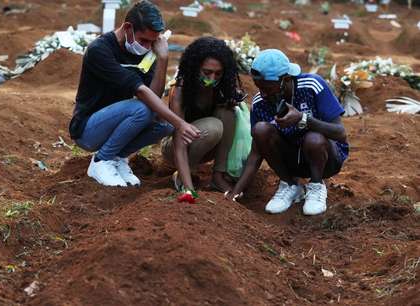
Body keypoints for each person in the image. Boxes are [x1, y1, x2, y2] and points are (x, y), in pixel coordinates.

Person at [69, 1, 200, 187]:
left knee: (164, 125)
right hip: (87, 129)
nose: (147, 46)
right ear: (128, 27)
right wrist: (180, 123)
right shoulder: (100, 50)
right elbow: (140, 91)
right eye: (144, 40)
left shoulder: (146, 54)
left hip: (114, 123)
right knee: (143, 109)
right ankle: (101, 161)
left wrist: (162, 59)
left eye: (153, 42)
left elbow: (153, 96)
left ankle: (118, 158)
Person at [226, 49, 348, 215]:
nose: (263, 93)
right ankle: (290, 185)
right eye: (259, 87)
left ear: (285, 80)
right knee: (261, 129)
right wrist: (235, 192)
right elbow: (256, 152)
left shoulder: (312, 86)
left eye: (268, 88)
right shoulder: (260, 103)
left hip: (326, 158)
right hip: (291, 161)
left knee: (313, 138)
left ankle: (316, 186)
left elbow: (340, 133)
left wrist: (303, 119)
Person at [161, 36, 245, 196]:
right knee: (214, 127)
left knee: (228, 112)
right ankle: (184, 176)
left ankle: (218, 176)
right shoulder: (180, 89)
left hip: (206, 145)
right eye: (207, 72)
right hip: (175, 147)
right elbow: (179, 141)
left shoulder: (222, 88)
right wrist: (189, 189)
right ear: (194, 68)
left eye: (218, 73)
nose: (212, 78)